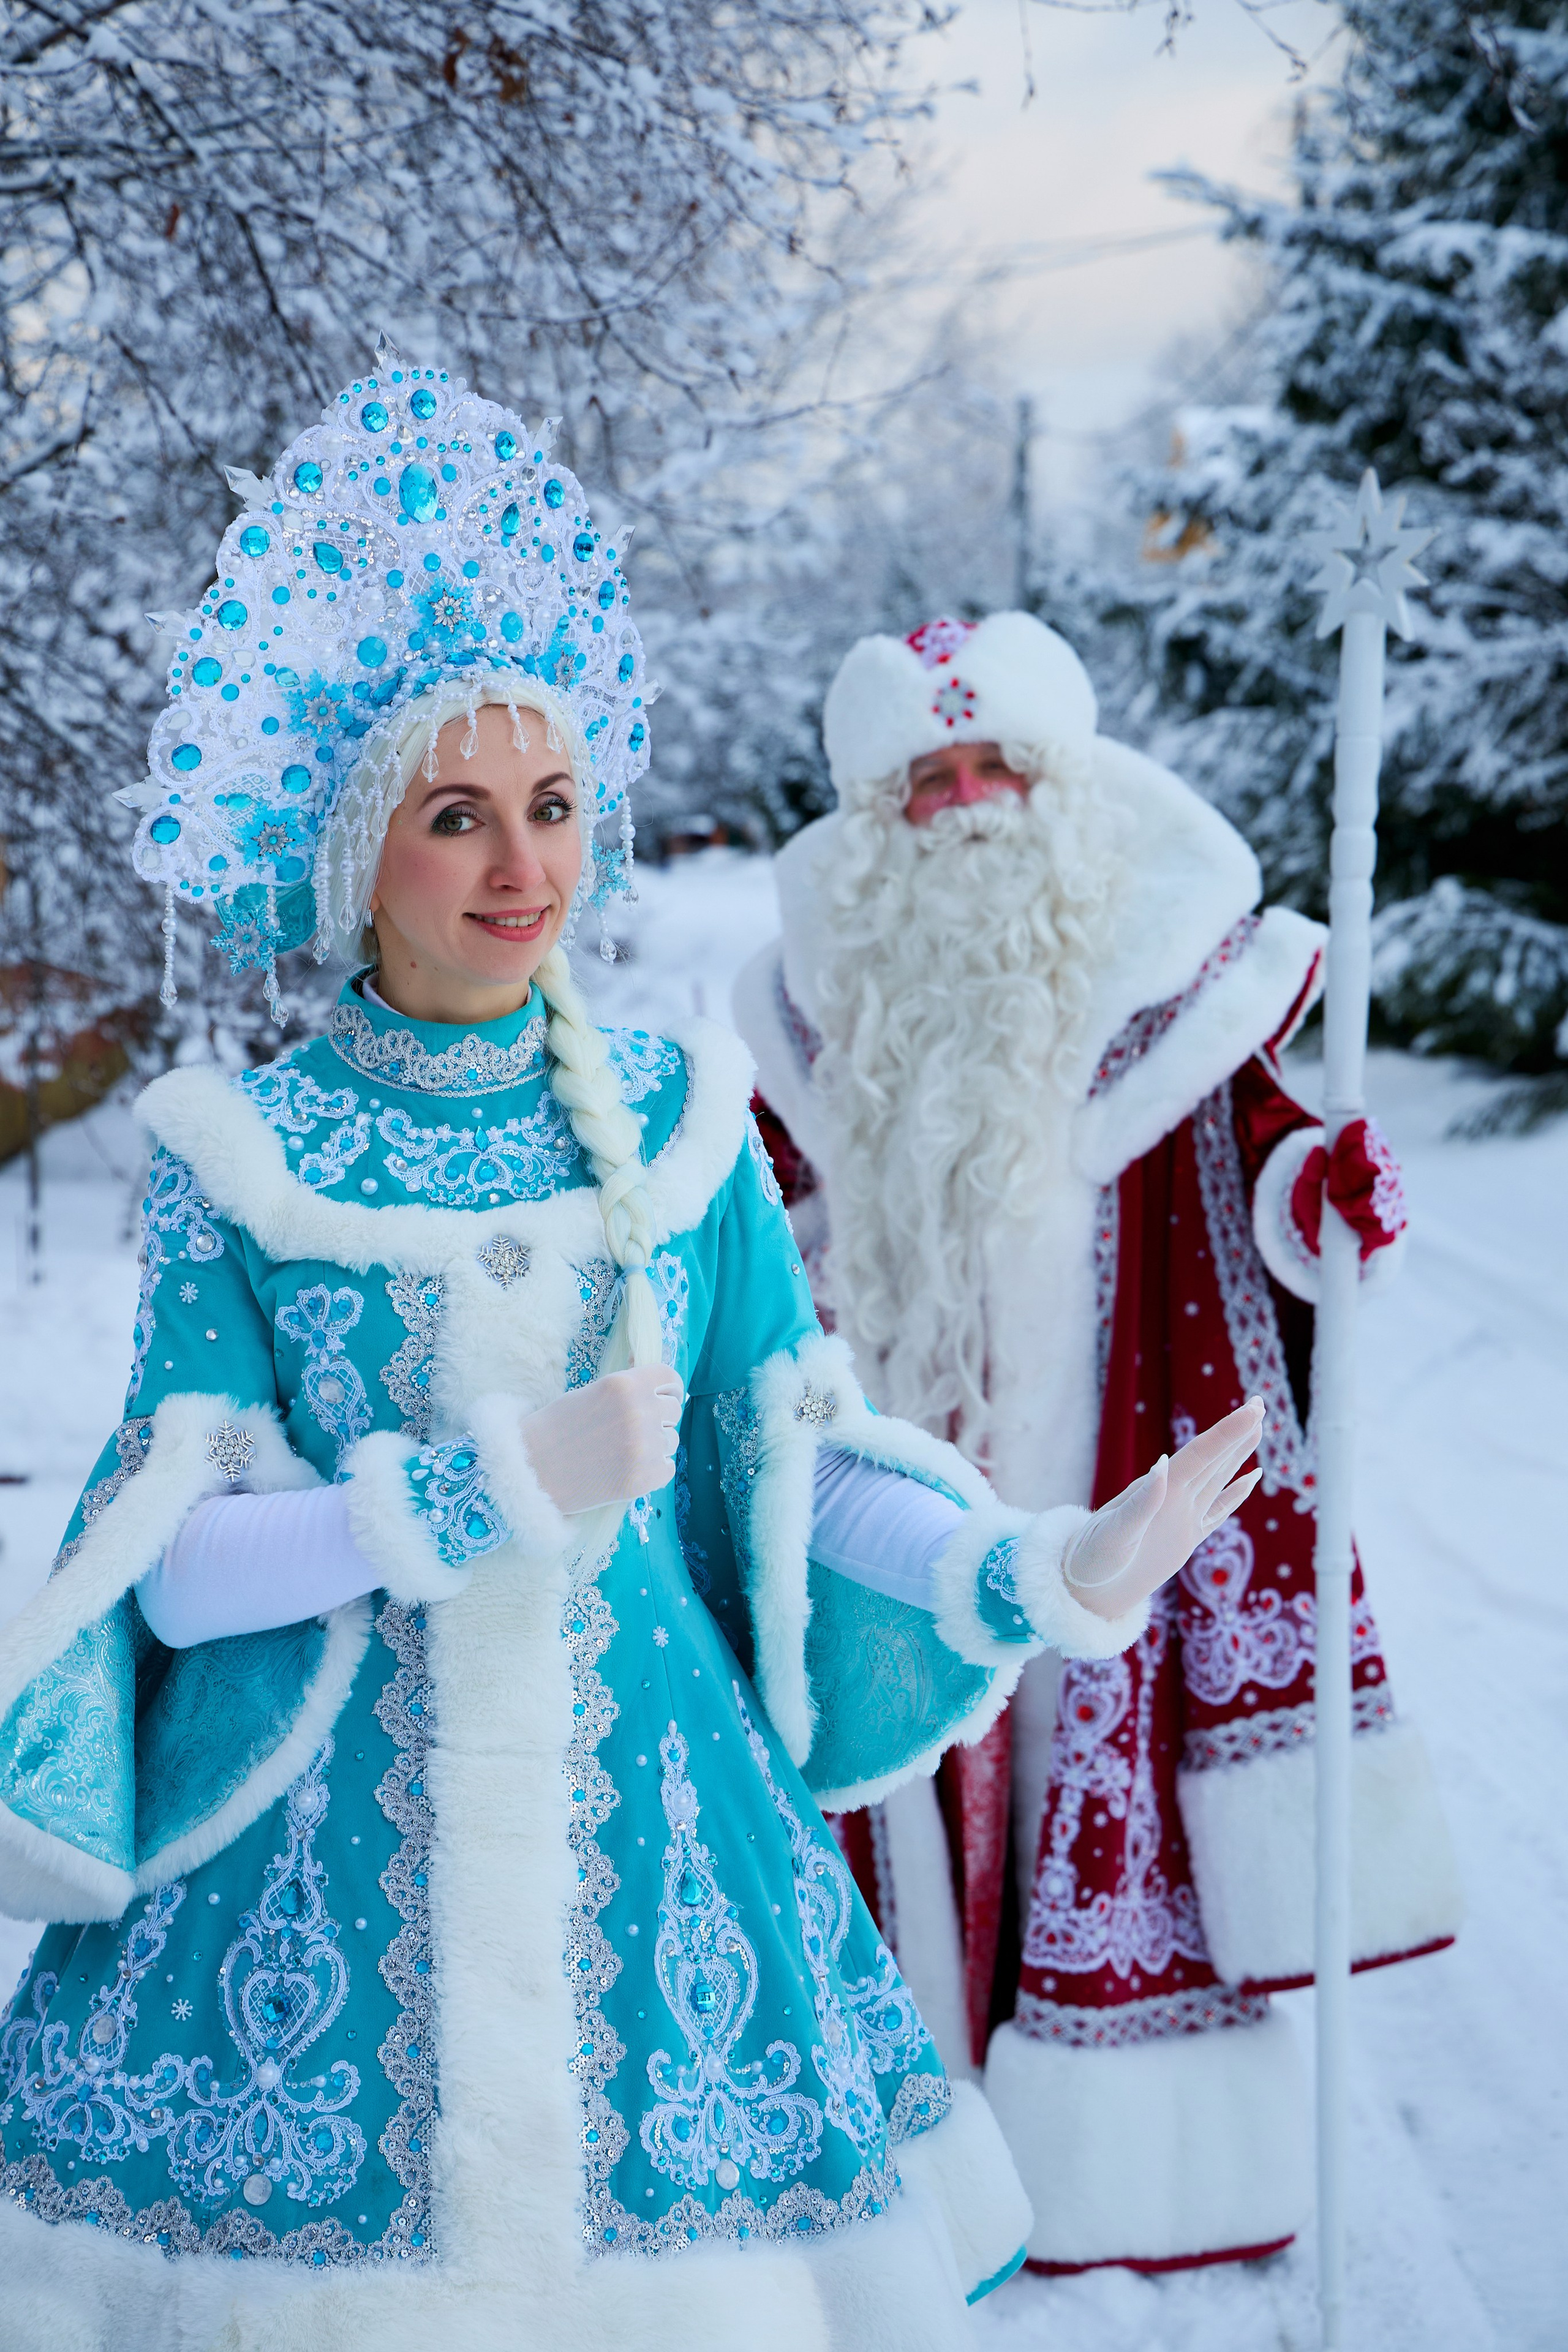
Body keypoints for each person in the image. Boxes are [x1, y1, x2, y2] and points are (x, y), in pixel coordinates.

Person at [0, 383, 1265, 2351]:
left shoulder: (683, 1128)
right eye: (458, 817)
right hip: (306, 1920)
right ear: (354, 850)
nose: (525, 865)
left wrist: (1036, 1568)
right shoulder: (237, 1155)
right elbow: (174, 1569)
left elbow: (797, 1465)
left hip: (663, 1876)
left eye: (556, 807)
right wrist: (481, 1485)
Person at [734, 609, 1463, 2276]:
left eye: (996, 766)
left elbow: (1271, 1159)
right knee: (898, 1789)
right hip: (891, 1498)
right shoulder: (819, 1007)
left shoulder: (1182, 982)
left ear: (1061, 784)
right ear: (876, 816)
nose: (965, 805)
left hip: (1110, 1472)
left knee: (1091, 1778)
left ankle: (1121, 2170)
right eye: (927, 779)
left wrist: (1324, 1196)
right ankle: (910, 2145)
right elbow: (759, 1213)